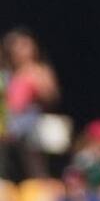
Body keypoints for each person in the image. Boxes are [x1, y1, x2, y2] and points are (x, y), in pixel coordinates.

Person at [1, 29, 59, 180]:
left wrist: (33, 80)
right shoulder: (7, 73)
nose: (22, 50)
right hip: (9, 126)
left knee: (35, 168)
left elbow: (51, 98)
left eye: (26, 45)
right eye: (17, 46)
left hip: (32, 126)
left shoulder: (39, 70)